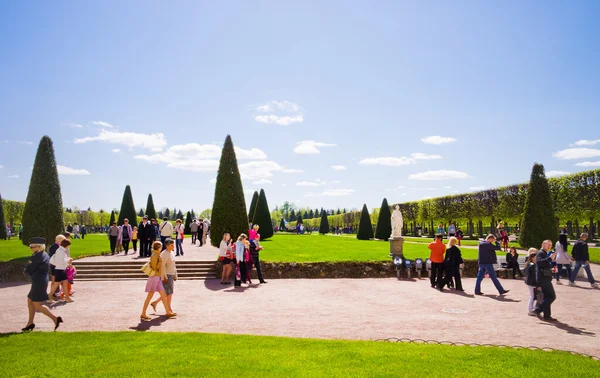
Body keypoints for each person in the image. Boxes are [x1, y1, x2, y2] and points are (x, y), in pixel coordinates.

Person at [22, 237, 63, 332]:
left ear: (38, 247)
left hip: (38, 282)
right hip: (41, 281)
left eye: (32, 246)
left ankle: (55, 319)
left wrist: (26, 270)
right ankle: (30, 323)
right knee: (30, 301)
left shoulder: (37, 257)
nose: (30, 248)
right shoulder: (44, 254)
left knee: (37, 304)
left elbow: (29, 269)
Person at [140, 241, 176, 320]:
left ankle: (168, 312)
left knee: (163, 295)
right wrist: (160, 262)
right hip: (154, 278)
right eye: (161, 246)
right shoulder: (154, 255)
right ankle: (143, 313)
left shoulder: (157, 255)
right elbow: (154, 267)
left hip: (158, 277)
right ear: (158, 247)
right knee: (149, 296)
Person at [150, 239, 178, 314]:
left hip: (171, 274)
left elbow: (173, 265)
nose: (173, 246)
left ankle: (156, 303)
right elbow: (162, 266)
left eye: (173, 244)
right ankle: (168, 309)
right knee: (168, 293)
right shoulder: (164, 254)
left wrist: (175, 275)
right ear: (167, 246)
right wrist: (164, 277)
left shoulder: (172, 252)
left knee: (168, 292)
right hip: (167, 275)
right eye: (171, 245)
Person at [534, 240, 557, 321]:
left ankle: (547, 315)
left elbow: (544, 266)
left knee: (547, 297)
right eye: (548, 245)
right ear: (543, 244)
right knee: (551, 296)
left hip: (545, 277)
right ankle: (537, 309)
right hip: (543, 278)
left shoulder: (544, 253)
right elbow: (540, 263)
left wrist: (551, 269)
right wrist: (550, 258)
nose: (550, 247)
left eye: (551, 245)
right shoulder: (540, 253)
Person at [48, 239, 74, 303]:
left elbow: (62, 260)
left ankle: (67, 298)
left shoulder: (60, 250)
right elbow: (61, 261)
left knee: (64, 284)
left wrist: (68, 260)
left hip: (61, 270)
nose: (68, 247)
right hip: (60, 270)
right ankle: (49, 297)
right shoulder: (60, 251)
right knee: (56, 284)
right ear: (66, 245)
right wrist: (69, 261)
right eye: (68, 245)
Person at [524, 248, 538, 316]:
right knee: (532, 296)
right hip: (531, 282)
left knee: (532, 296)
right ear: (533, 258)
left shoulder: (529, 264)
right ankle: (530, 310)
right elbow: (533, 275)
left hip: (529, 282)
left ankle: (532, 308)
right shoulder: (532, 265)